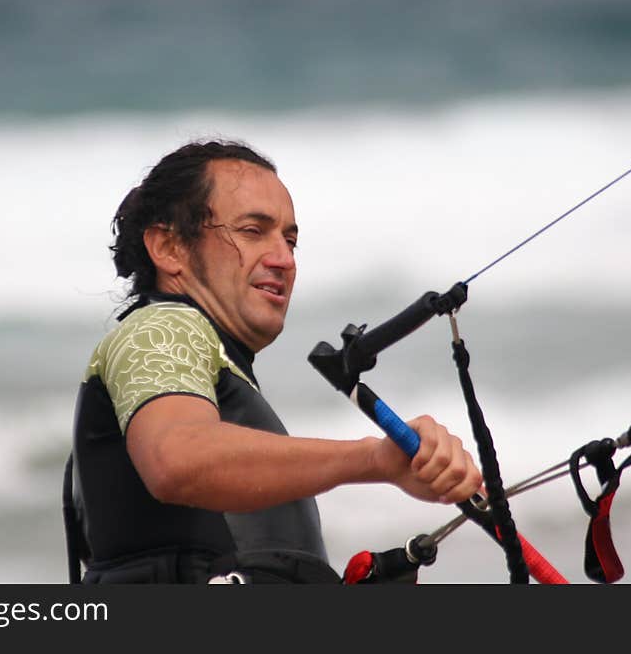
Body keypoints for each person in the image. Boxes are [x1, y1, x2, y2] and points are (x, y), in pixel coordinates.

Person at [65, 139, 482, 584]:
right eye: (251, 231)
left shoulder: (220, 371)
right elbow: (177, 460)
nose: (283, 259)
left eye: (290, 240)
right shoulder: (161, 328)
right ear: (169, 248)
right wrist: (373, 460)